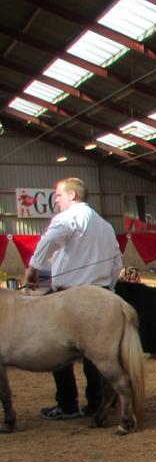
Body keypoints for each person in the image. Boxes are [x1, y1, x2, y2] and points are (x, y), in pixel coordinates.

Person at [24, 177, 123, 420]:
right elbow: (117, 262)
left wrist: (33, 268)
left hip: (69, 296)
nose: (56, 200)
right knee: (95, 355)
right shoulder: (106, 226)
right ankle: (96, 403)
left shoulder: (69, 217)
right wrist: (108, 289)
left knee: (57, 352)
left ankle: (67, 404)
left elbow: (49, 239)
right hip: (100, 295)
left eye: (58, 195)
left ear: (72, 195)